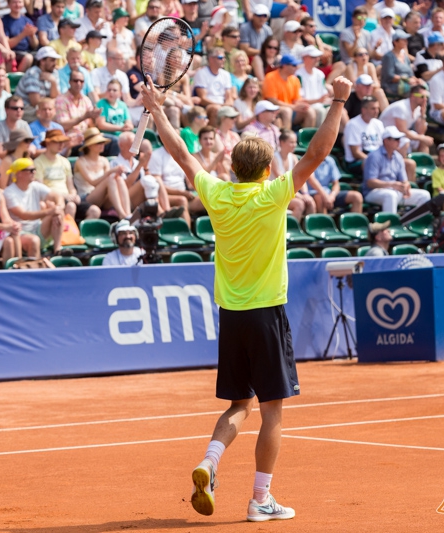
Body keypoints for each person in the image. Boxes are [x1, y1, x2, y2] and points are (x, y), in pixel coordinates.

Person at [140, 63, 352, 522]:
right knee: (272, 410)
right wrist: (337, 101)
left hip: (231, 317)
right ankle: (260, 500)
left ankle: (209, 461)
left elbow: (181, 154)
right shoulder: (272, 195)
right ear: (268, 169)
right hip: (267, 315)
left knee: (240, 405)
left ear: (234, 168)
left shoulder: (217, 194)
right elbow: (316, 154)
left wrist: (157, 110)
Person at [3, 157, 64, 255]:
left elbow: (56, 195)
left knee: (58, 213)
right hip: (20, 233)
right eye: (31, 170)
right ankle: (35, 268)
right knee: (34, 240)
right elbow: (23, 215)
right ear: (19, 173)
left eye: (34, 169)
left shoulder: (35, 185)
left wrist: (59, 207)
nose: (34, 172)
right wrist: (50, 211)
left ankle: (57, 249)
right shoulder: (9, 192)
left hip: (38, 228)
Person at [363, 126, 430, 214]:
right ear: (386, 140)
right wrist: (393, 185)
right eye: (396, 139)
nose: (399, 141)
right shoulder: (374, 156)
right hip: (373, 192)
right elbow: (370, 183)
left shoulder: (398, 157)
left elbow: (404, 180)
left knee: (424, 195)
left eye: (399, 139)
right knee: (390, 195)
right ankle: (391, 226)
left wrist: (406, 186)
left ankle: (418, 225)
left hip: (394, 191)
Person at [74, 127, 130, 219]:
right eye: (98, 143)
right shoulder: (80, 161)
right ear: (90, 145)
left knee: (117, 179)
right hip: (86, 198)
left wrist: (115, 173)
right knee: (111, 178)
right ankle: (122, 215)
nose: (102, 145)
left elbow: (108, 179)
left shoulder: (104, 160)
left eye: (103, 142)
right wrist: (111, 171)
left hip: (103, 197)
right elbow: (93, 182)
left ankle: (127, 214)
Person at [270, 129, 316, 221]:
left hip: (288, 193)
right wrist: (299, 196)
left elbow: (301, 177)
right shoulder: (274, 158)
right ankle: (291, 230)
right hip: (275, 194)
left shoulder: (294, 158)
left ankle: (304, 230)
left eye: (295, 142)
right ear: (282, 142)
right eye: (291, 142)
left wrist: (305, 194)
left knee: (311, 202)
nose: (294, 145)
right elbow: (283, 180)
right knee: (299, 204)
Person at [261, 54, 312, 130]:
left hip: (290, 108)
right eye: (294, 65)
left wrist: (301, 105)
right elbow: (273, 101)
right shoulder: (270, 77)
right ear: (284, 66)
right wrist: (293, 107)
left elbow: (296, 100)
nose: (296, 67)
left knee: (310, 111)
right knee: (287, 111)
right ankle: (286, 139)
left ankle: (307, 139)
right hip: (273, 109)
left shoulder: (295, 79)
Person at [379, 84, 432, 154]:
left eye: (426, 97)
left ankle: (423, 164)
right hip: (385, 137)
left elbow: (421, 132)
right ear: (413, 96)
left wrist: (423, 115)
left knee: (423, 142)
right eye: (422, 96)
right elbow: (402, 131)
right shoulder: (401, 107)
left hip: (398, 136)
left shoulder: (418, 109)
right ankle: (403, 164)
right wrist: (422, 138)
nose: (425, 99)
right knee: (405, 142)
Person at [15, 46, 61, 123]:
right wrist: (52, 101)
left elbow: (56, 96)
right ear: (42, 61)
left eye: (55, 60)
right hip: (27, 109)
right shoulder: (32, 74)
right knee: (55, 115)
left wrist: (53, 82)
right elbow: (36, 102)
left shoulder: (54, 73)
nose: (55, 63)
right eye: (52, 60)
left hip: (44, 107)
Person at [55, 69, 99, 148]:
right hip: (70, 139)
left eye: (81, 81)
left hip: (86, 136)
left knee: (113, 142)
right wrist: (83, 117)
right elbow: (62, 125)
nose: (78, 83)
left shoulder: (86, 100)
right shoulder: (61, 100)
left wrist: (94, 117)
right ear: (70, 82)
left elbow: (91, 124)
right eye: (75, 81)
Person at [343, 96, 384, 175]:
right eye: (373, 108)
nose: (376, 111)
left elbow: (383, 146)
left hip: (376, 158)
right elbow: (355, 153)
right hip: (356, 162)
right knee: (370, 163)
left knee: (407, 163)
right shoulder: (353, 124)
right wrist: (374, 160)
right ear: (364, 110)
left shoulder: (378, 123)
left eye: (377, 108)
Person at [194, 48, 235, 124]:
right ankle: (214, 133)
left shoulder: (226, 74)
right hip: (208, 106)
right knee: (216, 109)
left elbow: (229, 97)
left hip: (222, 105)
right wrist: (221, 106)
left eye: (224, 57)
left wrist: (227, 104)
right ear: (211, 59)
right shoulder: (201, 73)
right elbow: (203, 99)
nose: (223, 60)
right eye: (220, 58)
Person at [0, 95, 32, 159]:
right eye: (15, 108)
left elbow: (31, 147)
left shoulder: (24, 124)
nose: (19, 110)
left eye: (22, 108)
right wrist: (20, 149)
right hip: (5, 162)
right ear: (6, 110)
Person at [2, 0, 38, 73]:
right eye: (14, 2)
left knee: (33, 57)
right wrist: (23, 34)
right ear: (9, 4)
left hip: (27, 52)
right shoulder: (4, 21)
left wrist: (32, 35)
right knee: (25, 58)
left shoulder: (27, 20)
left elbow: (35, 45)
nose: (17, 5)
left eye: (20, 2)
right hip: (13, 52)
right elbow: (7, 43)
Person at [380, 29, 417, 97]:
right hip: (393, 87)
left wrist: (416, 80)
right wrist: (406, 80)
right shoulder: (388, 57)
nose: (406, 42)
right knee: (415, 93)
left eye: (406, 40)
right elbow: (390, 76)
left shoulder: (405, 56)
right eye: (403, 40)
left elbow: (411, 74)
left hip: (408, 84)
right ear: (395, 42)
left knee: (422, 87)